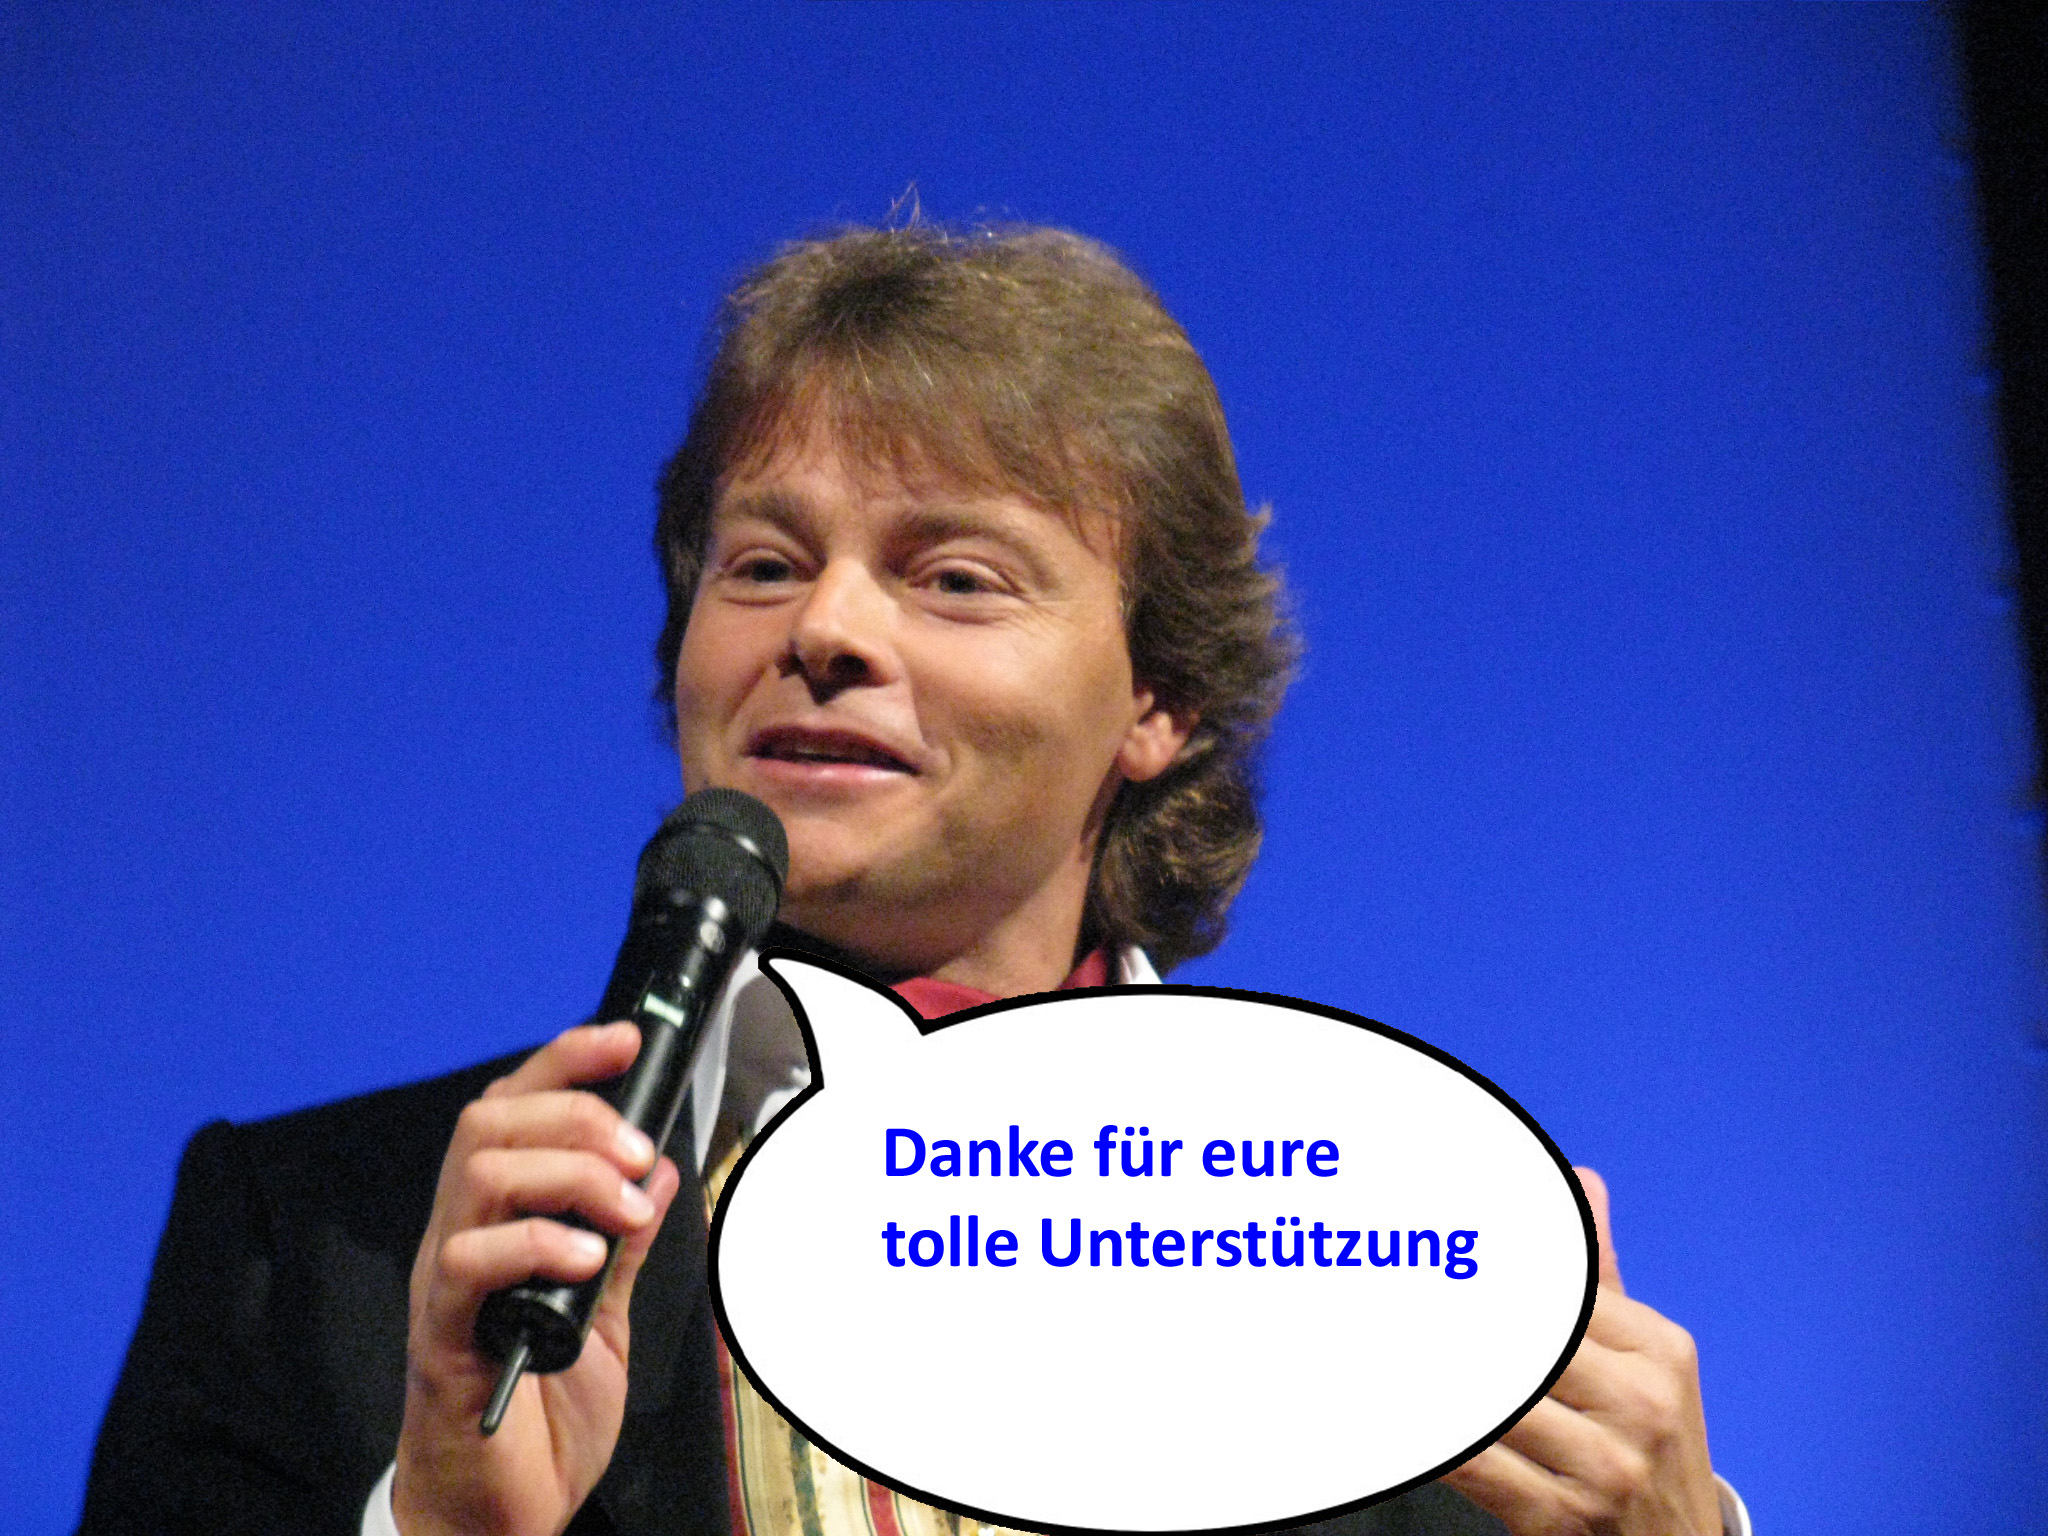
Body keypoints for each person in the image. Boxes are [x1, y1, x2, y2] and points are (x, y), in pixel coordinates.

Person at [81, 223, 1744, 1536]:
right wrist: (444, 1529)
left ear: (1158, 699)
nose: (826, 629)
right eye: (763, 563)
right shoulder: (320, 1251)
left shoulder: (1393, 1296)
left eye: (954, 577)